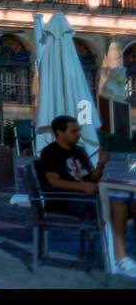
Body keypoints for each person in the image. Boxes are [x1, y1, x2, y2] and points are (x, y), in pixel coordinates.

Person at [37, 114, 136, 277]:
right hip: (65, 200)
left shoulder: (79, 151)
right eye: (73, 131)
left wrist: (101, 164)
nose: (78, 134)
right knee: (119, 207)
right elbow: (53, 182)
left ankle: (115, 250)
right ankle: (119, 259)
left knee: (131, 205)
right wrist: (81, 186)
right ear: (59, 132)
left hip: (85, 196)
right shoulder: (50, 152)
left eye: (78, 131)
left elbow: (93, 178)